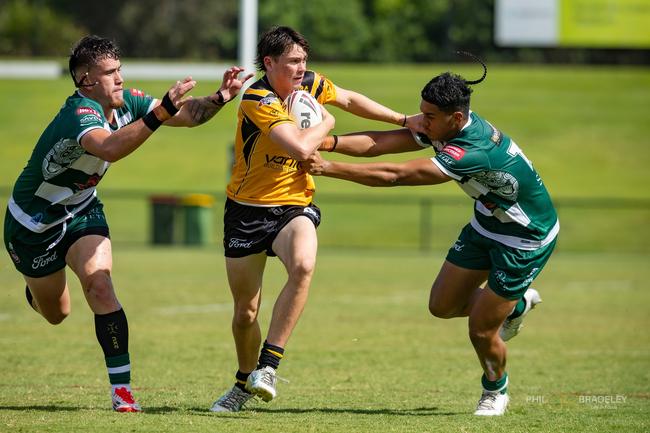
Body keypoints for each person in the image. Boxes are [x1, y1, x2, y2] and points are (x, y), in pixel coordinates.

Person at [3, 35, 252, 412]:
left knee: (100, 287)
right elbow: (110, 148)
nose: (119, 78)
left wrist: (220, 97)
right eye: (110, 72)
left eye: (120, 69)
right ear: (86, 80)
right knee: (57, 314)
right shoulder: (80, 112)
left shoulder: (128, 101)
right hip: (32, 224)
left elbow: (185, 114)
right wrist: (161, 112)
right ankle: (37, 294)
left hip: (82, 211)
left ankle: (122, 392)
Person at [304, 60, 559, 416]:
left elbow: (395, 175)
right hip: (487, 224)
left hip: (524, 239)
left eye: (428, 116)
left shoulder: (472, 149)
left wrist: (329, 168)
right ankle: (515, 305)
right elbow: (381, 143)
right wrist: (328, 143)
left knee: (482, 329)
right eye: (421, 113)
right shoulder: (446, 127)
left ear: (456, 118)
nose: (420, 122)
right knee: (442, 306)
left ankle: (495, 390)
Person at [209, 26, 416, 413]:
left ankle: (268, 367)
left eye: (304, 60)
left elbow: (350, 99)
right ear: (269, 64)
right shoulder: (258, 97)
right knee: (245, 313)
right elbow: (303, 145)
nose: (302, 68)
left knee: (303, 265)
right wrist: (328, 123)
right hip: (246, 211)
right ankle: (242, 382)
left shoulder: (310, 84)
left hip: (293, 204)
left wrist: (405, 119)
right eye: (293, 62)